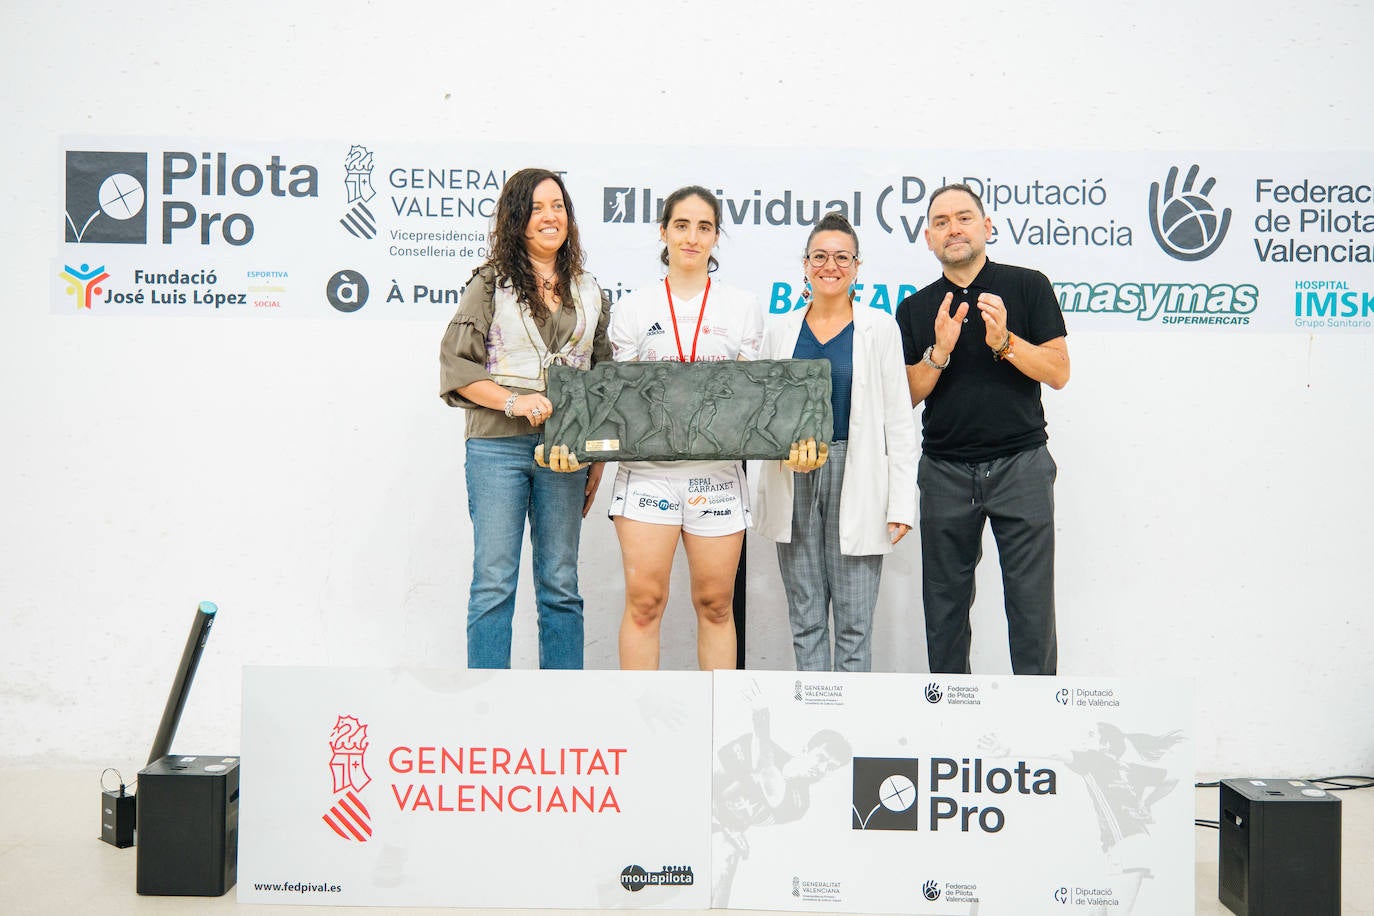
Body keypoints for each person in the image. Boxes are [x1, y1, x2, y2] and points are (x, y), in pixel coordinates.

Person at [895, 182, 1070, 675]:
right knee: (944, 612)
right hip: (945, 471)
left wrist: (1006, 340)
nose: (954, 228)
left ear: (987, 227)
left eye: (965, 217)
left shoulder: (1028, 285)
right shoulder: (914, 309)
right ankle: (951, 719)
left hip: (1022, 467)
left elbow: (1058, 372)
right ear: (928, 238)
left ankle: (1038, 724)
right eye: (942, 222)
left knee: (1032, 607)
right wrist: (940, 352)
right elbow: (906, 395)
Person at [438, 167, 610, 669]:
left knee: (561, 583)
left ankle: (560, 705)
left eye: (557, 205)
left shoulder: (590, 288)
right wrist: (513, 402)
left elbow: (602, 379)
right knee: (494, 581)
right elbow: (456, 367)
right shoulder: (490, 283)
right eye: (536, 207)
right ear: (516, 219)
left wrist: (597, 456)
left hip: (565, 453)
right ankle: (487, 706)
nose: (550, 216)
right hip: (497, 448)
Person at [752, 212, 917, 671]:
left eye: (842, 257)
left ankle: (852, 727)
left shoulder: (880, 328)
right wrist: (785, 451)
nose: (831, 266)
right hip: (794, 472)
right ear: (804, 264)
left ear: (857, 266)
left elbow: (899, 425)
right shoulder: (780, 330)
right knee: (805, 618)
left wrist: (902, 503)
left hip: (857, 473)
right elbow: (761, 414)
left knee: (854, 624)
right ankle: (811, 724)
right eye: (820, 256)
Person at [607, 186, 763, 670]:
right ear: (663, 232)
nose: (692, 237)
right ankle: (638, 732)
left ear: (717, 237)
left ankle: (719, 732)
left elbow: (750, 400)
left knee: (717, 605)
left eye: (704, 227)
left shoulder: (742, 307)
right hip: (647, 475)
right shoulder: (633, 308)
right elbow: (620, 400)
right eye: (682, 225)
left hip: (715, 476)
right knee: (645, 602)